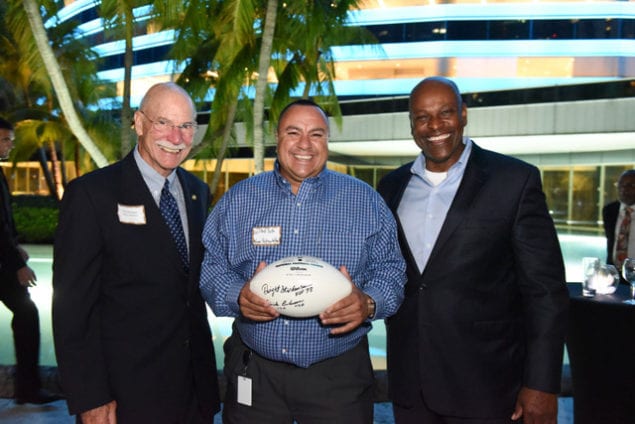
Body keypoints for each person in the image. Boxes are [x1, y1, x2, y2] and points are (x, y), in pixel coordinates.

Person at [199, 99, 406, 423]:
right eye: (293, 132)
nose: (304, 144)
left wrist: (367, 303)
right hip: (255, 372)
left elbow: (391, 270)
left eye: (317, 134)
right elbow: (212, 267)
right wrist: (237, 295)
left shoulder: (365, 201)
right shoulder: (239, 201)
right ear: (277, 137)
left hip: (338, 377)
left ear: (327, 140)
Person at [377, 77, 569, 424]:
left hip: (488, 386)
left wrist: (542, 384)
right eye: (422, 117)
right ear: (411, 125)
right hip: (411, 386)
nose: (434, 126)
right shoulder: (391, 186)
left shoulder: (514, 180)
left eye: (445, 113)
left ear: (463, 114)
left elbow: (545, 291)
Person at [52, 82, 220, 423]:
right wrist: (90, 397)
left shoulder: (197, 193)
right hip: (125, 396)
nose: (175, 137)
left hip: (193, 392)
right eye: (163, 123)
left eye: (185, 126)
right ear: (140, 123)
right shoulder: (91, 195)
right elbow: (72, 308)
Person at [0, 117, 59, 405]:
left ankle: (28, 388)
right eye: (5, 139)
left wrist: (16, 248)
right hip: (3, 265)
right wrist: (17, 264)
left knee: (26, 314)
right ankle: (28, 388)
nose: (10, 144)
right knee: (26, 314)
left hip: (4, 260)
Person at [603, 169, 635, 275]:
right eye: (621, 185)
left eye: (631, 185)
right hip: (613, 274)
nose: (624, 189)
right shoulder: (609, 210)